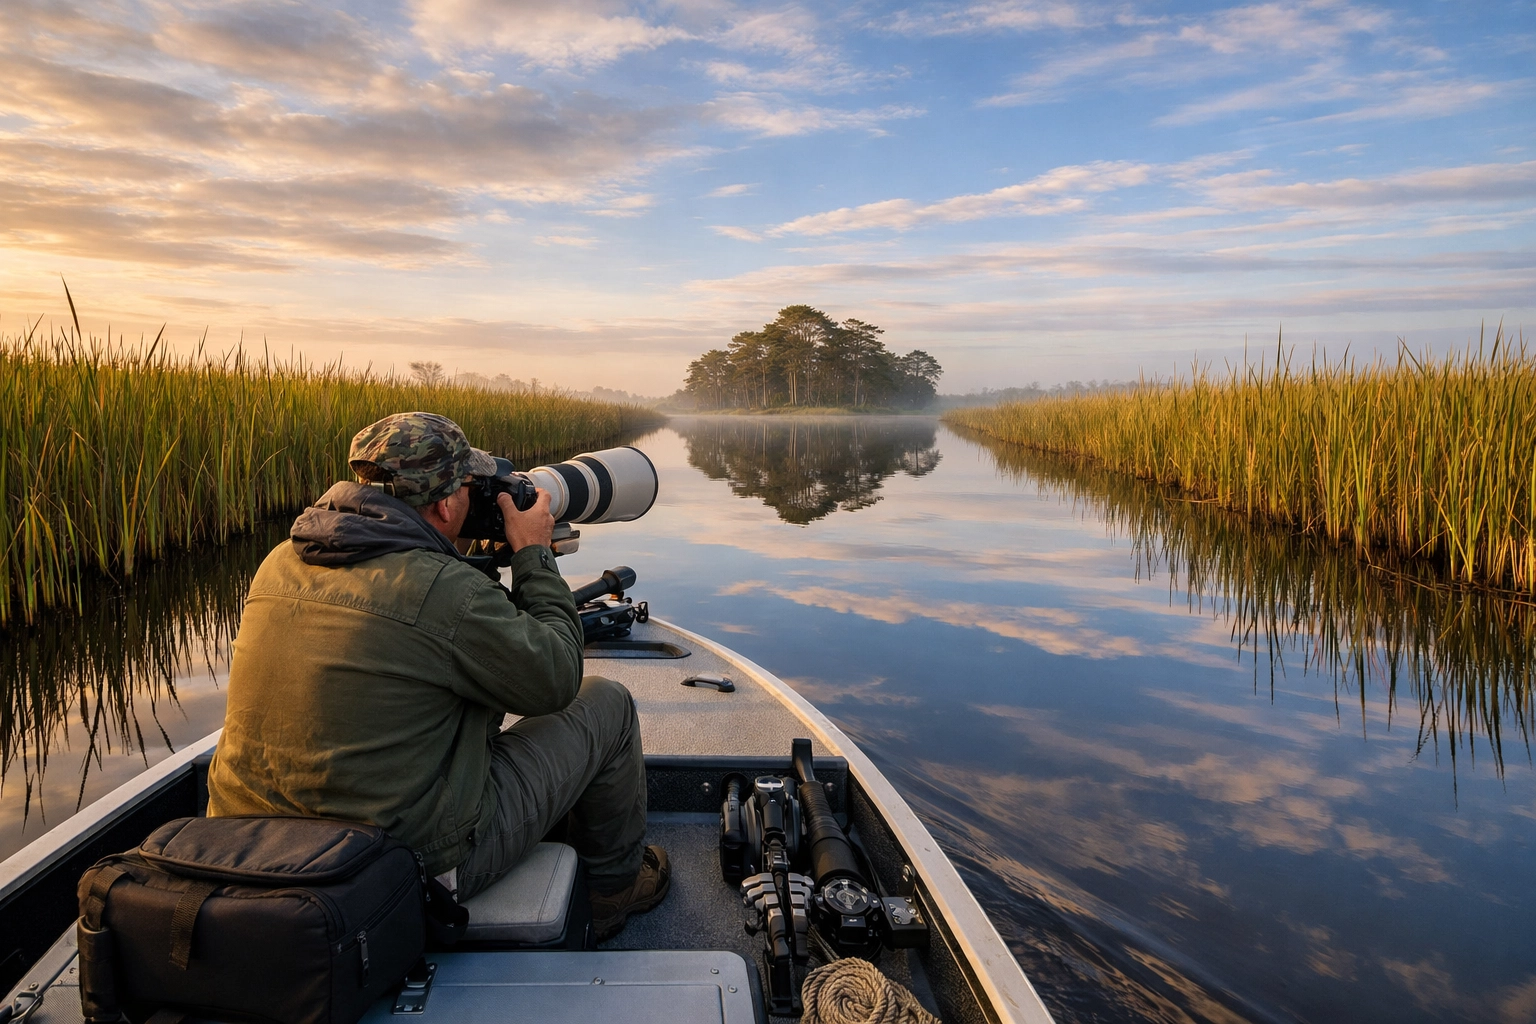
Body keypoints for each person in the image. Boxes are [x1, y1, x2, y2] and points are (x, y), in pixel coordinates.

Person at [206, 411, 669, 940]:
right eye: (469, 489)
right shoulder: (444, 593)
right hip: (406, 867)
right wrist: (534, 556)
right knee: (605, 702)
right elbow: (555, 679)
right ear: (447, 503)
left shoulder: (280, 561)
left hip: (242, 844)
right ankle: (612, 891)